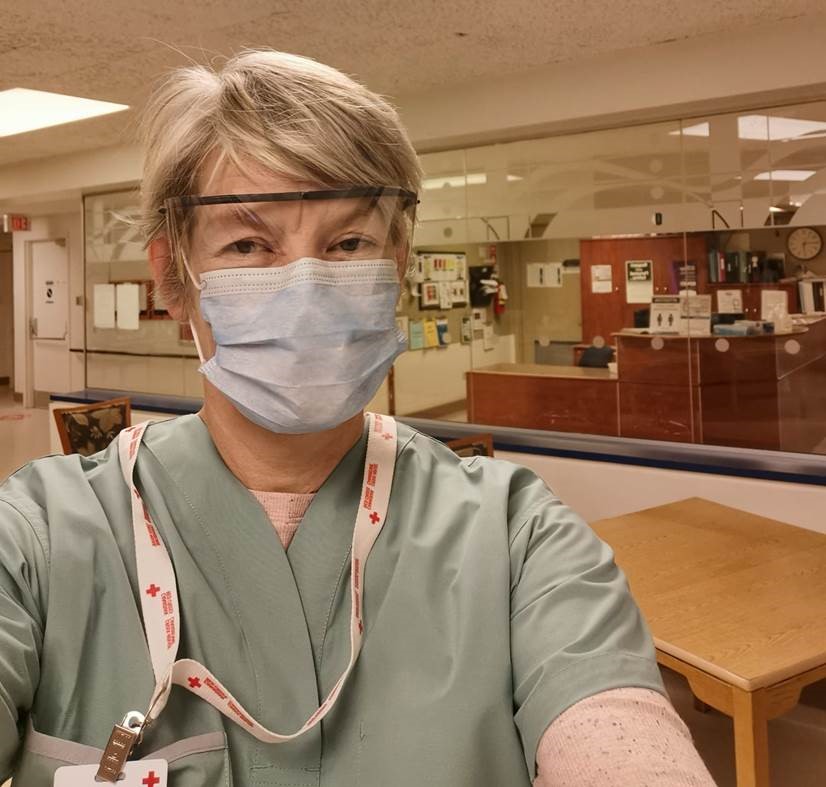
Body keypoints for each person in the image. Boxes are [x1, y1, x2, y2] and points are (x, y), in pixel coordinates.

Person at [0, 51, 716, 786]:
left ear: (396, 265)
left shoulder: (516, 538)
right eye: (248, 244)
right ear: (172, 278)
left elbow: (616, 727)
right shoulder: (37, 537)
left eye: (348, 244)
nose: (305, 286)